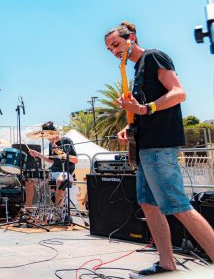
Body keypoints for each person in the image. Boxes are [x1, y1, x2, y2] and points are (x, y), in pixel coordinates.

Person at [104, 21, 214, 277]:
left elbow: (178, 93)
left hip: (159, 147)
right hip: (146, 147)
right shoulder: (137, 71)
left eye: (116, 44)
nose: (113, 51)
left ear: (132, 37)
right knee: (148, 204)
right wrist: (130, 127)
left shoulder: (153, 57)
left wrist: (144, 109)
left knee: (177, 205)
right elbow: (143, 110)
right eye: (109, 49)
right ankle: (166, 264)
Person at [28, 122, 78, 215]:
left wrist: (59, 151)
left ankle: (58, 213)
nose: (47, 139)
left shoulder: (66, 141)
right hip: (53, 171)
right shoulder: (51, 144)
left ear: (53, 133)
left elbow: (75, 160)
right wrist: (38, 155)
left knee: (60, 180)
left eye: (48, 136)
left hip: (65, 171)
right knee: (30, 179)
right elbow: (52, 160)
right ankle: (28, 211)